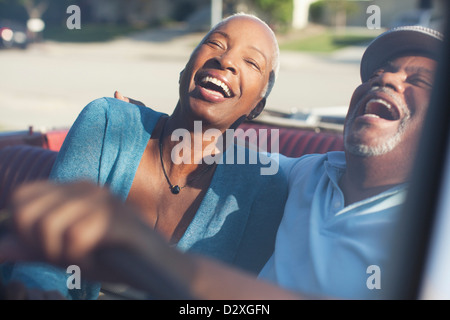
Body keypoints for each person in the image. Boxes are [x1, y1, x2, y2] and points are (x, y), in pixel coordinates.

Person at [1, 25, 444, 300]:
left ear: (258, 104)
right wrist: (135, 122)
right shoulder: (306, 175)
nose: (385, 78)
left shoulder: (434, 233)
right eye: (375, 74)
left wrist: (154, 258)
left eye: (419, 81)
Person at [0, 13, 290, 300]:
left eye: (251, 62)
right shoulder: (108, 122)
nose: (226, 61)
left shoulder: (264, 186)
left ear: (256, 107)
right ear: (185, 69)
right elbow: (44, 258)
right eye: (216, 44)